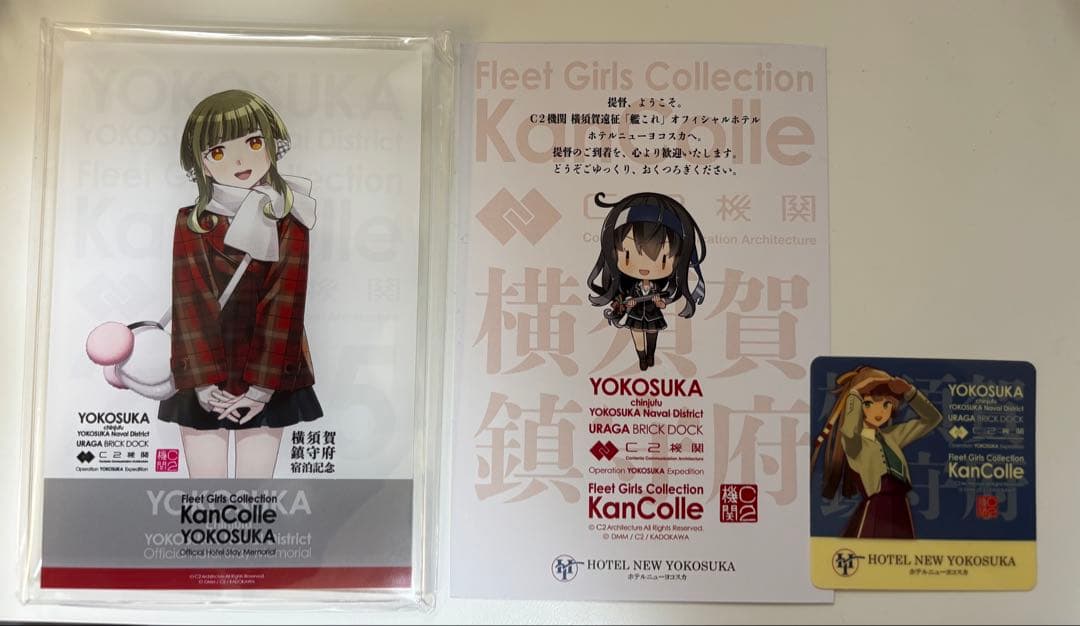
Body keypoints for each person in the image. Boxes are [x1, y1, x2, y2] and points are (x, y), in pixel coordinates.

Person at [157, 89, 322, 478]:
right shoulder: (192, 222)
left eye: (253, 143)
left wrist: (262, 388)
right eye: (218, 152)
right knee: (205, 494)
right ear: (200, 163)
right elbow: (189, 300)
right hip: (204, 368)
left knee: (255, 492)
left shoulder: (290, 217)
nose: (239, 161)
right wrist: (202, 383)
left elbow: (285, 303)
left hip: (270, 367)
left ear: (272, 143)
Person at [814, 366, 943, 538]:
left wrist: (910, 392)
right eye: (869, 403)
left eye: (886, 404)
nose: (879, 411)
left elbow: (933, 419)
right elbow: (850, 431)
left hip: (901, 510)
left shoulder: (892, 437)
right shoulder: (854, 443)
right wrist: (855, 393)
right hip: (875, 511)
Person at [586, 192, 707, 371]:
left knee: (652, 337)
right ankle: (642, 357)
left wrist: (660, 303)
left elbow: (663, 303)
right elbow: (623, 301)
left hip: (653, 316)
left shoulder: (658, 287)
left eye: (663, 259)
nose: (644, 267)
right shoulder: (630, 287)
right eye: (628, 255)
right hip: (635, 316)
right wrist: (628, 304)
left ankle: (650, 355)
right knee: (638, 338)